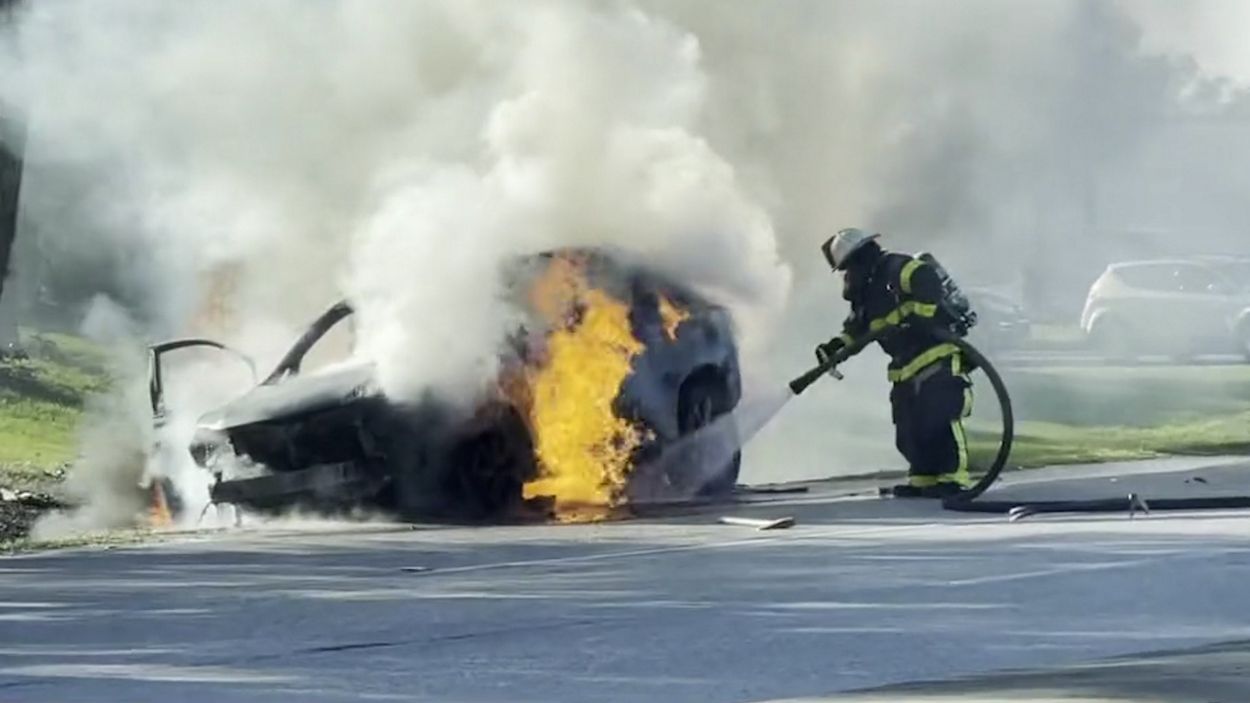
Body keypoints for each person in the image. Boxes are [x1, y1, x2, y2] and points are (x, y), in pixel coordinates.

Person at [816, 228, 973, 498]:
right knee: (908, 426)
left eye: (849, 267)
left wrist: (907, 316)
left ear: (862, 257)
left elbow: (927, 283)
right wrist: (834, 349)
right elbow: (856, 331)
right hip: (903, 367)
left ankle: (952, 479)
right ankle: (923, 479)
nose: (848, 274)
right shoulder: (865, 293)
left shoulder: (897, 268)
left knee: (939, 417)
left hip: (936, 354)